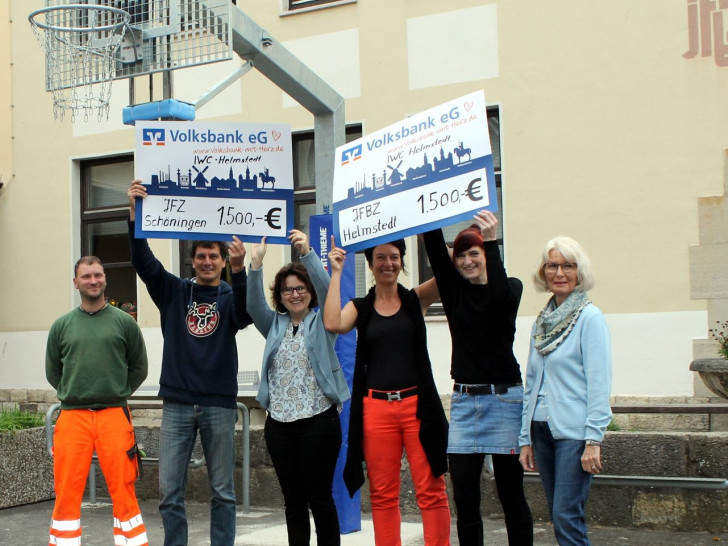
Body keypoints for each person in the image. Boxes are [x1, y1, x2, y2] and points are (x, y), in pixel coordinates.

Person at [127, 179, 253, 546]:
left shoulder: (230, 296)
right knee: (169, 493)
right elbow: (144, 263)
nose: (208, 261)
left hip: (218, 403)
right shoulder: (174, 291)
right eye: (201, 256)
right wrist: (135, 218)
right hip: (178, 404)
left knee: (224, 493)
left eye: (214, 256)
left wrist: (242, 269)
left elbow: (246, 315)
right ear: (192, 260)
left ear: (222, 260)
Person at [324, 237, 451, 546]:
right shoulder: (360, 307)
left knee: (431, 489)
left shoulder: (414, 299)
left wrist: (430, 227)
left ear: (402, 261)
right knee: (382, 494)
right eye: (380, 257)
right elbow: (332, 322)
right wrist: (337, 271)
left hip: (417, 408)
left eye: (394, 257)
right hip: (376, 410)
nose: (388, 263)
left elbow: (448, 273)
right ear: (370, 263)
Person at [423, 210, 533, 545]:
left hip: (505, 400)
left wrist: (491, 238)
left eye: (475, 253)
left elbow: (496, 297)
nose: (468, 261)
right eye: (461, 255)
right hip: (465, 403)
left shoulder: (511, 288)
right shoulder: (455, 293)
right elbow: (433, 251)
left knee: (510, 494)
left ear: (487, 254)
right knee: (466, 498)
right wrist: (424, 210)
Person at [246, 229, 351, 546]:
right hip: (279, 425)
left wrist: (307, 253)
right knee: (293, 501)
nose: (294, 294)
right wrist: (256, 265)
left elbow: (325, 285)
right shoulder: (274, 324)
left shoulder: (324, 322)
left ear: (309, 292)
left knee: (319, 498)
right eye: (288, 290)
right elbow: (253, 306)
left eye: (300, 288)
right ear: (280, 295)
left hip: (319, 421)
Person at [46, 256, 149, 546]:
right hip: (72, 417)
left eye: (98, 275)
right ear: (76, 282)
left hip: (114, 415)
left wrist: (115, 391)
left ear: (105, 279)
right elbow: (53, 372)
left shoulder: (124, 323)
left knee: (124, 488)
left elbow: (139, 367)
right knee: (66, 490)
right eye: (87, 276)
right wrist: (77, 391)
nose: (93, 281)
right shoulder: (61, 326)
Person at [518, 236, 612, 546]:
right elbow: (532, 382)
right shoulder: (542, 322)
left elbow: (599, 382)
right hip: (541, 429)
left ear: (578, 271)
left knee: (566, 515)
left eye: (568, 266)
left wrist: (593, 438)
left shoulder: (589, 318)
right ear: (543, 272)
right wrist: (525, 438)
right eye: (552, 265)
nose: (560, 273)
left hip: (574, 433)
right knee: (558, 515)